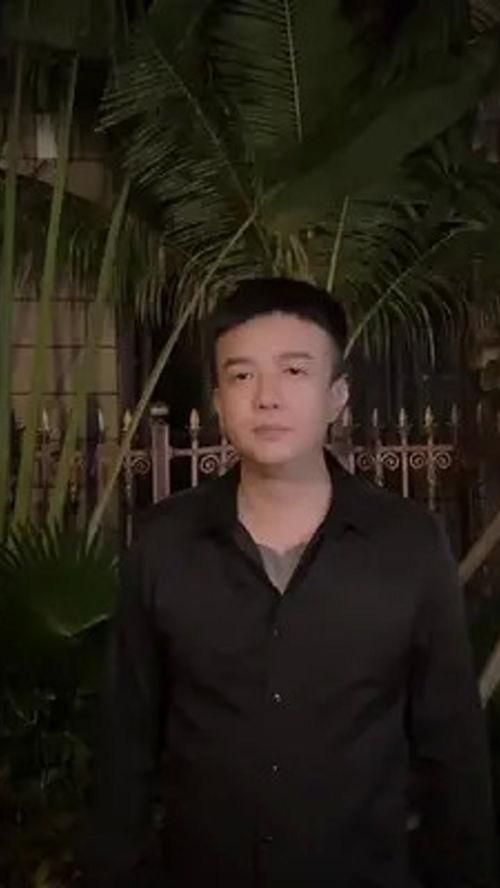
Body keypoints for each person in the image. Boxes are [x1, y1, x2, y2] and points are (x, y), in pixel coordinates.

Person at [85, 277, 497, 887]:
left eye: (295, 371)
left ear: (337, 396)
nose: (267, 398)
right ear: (218, 400)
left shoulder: (409, 544)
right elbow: (126, 743)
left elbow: (453, 751)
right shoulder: (163, 542)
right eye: (242, 375)